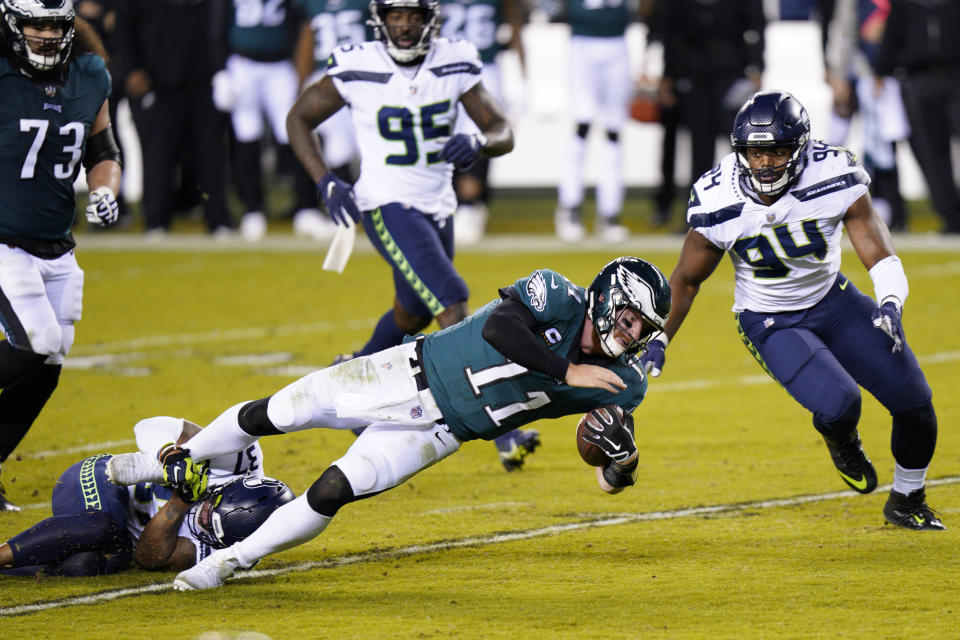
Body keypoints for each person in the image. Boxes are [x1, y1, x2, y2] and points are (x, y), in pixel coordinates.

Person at [123, 256, 672, 590]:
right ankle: (178, 458)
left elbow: (608, 469)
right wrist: (565, 368)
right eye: (626, 316)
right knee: (277, 412)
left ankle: (228, 562)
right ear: (605, 297)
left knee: (335, 489)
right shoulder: (556, 293)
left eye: (640, 328)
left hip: (441, 431)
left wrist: (622, 461)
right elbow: (501, 328)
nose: (628, 333)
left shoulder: (625, 380)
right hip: (404, 371)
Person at [640, 90, 944, 531]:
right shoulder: (717, 197)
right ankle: (841, 438)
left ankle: (906, 498)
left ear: (800, 148)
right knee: (841, 404)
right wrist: (659, 337)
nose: (765, 163)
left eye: (777, 150)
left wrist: (891, 303)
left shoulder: (833, 174)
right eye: (755, 152)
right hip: (769, 319)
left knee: (915, 404)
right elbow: (686, 280)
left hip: (835, 300)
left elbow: (878, 251)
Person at [288, 0, 539, 470]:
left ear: (430, 20)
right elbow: (298, 117)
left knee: (412, 313)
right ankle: (503, 425)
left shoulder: (455, 59)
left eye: (413, 16)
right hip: (385, 202)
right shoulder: (357, 64)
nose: (404, 25)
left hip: (437, 205)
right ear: (380, 20)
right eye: (395, 15)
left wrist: (480, 142)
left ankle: (347, 376)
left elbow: (502, 128)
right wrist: (325, 179)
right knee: (451, 301)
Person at [0, 0, 121, 511]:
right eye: (36, 24)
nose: (47, 34)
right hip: (5, 238)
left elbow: (102, 151)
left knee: (50, 360)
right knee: (36, 341)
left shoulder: (90, 74)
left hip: (56, 242)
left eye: (55, 24)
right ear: (12, 25)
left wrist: (105, 189)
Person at [0, 416, 293, 576]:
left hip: (124, 540)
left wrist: (181, 502)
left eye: (210, 530)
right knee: (99, 526)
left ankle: (11, 572)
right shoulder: (236, 457)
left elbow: (149, 558)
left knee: (94, 563)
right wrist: (169, 453)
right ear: (227, 488)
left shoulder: (235, 553)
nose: (202, 522)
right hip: (102, 479)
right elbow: (148, 425)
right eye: (208, 510)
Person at [113, 0, 235, 237]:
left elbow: (223, 21)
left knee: (210, 152)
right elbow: (123, 25)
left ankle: (218, 218)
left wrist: (223, 69)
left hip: (205, 78)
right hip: (157, 80)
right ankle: (156, 221)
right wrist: (131, 68)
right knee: (158, 154)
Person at [213, 0, 327, 242]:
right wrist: (220, 69)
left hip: (279, 65)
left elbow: (301, 22)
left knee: (294, 132)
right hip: (242, 63)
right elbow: (218, 23)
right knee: (246, 135)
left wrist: (300, 67)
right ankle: (252, 209)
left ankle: (306, 207)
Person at [651, 0, 765, 230]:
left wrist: (757, 66)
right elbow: (670, 31)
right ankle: (698, 216)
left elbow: (755, 25)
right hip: (694, 75)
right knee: (699, 149)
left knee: (741, 147)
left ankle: (753, 211)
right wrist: (669, 74)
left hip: (731, 73)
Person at [438, 0, 526, 246]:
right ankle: (464, 203)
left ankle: (470, 204)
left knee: (479, 137)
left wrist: (522, 81)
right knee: (450, 134)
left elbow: (515, 24)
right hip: (450, 70)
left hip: (482, 69)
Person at [873, 0, 960, 234]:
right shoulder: (904, 4)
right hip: (917, 79)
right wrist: (880, 71)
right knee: (931, 154)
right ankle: (951, 219)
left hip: (956, 75)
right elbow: (893, 34)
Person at [552, 0, 634, 244]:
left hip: (617, 43)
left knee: (613, 130)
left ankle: (609, 212)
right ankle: (570, 207)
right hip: (582, 43)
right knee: (583, 123)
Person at [823, 0, 909, 232]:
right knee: (840, 147)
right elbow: (845, 32)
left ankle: (891, 211)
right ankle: (830, 209)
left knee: (882, 147)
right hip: (860, 73)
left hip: (890, 75)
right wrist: (839, 73)